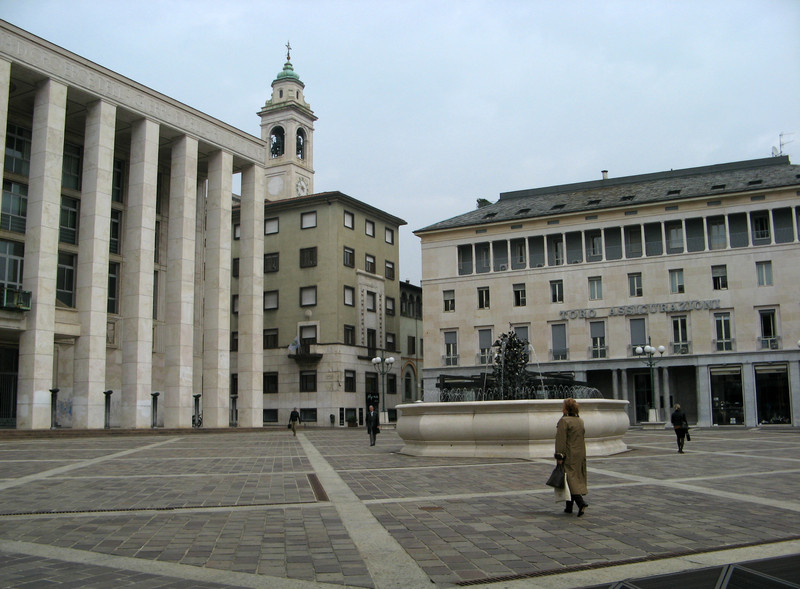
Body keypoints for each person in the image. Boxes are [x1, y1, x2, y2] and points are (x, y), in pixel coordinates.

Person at [555, 398, 589, 516]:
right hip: (579, 453)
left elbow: (561, 440)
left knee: (569, 479)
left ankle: (580, 503)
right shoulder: (579, 420)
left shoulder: (564, 421)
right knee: (574, 477)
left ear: (565, 408)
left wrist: (559, 455)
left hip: (569, 454)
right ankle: (568, 507)